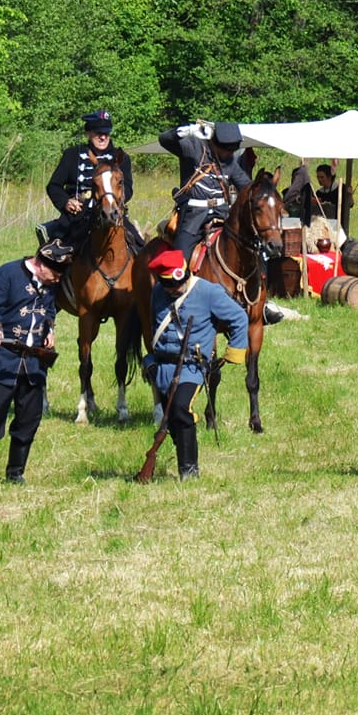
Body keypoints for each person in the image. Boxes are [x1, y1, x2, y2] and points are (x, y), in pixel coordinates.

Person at [144, 248, 250, 479]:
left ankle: (189, 471)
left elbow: (239, 317)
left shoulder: (208, 292)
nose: (175, 289)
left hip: (192, 366)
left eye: (178, 283)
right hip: (162, 365)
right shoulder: (157, 292)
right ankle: (178, 454)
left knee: (182, 408)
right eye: (170, 285)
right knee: (171, 418)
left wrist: (234, 353)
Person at [0, 240, 68, 484]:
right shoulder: (6, 274)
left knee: (29, 419)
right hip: (2, 358)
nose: (57, 279)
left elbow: (49, 310)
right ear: (41, 265)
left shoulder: (50, 285)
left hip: (33, 363)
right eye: (55, 274)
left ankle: (15, 473)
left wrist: (49, 329)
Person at [41, 110, 136, 251]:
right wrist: (66, 202)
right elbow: (54, 186)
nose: (103, 137)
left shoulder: (121, 158)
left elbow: (127, 188)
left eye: (106, 133)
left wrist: (112, 202)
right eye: (98, 133)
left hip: (112, 213)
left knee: (139, 247)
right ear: (88, 133)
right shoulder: (72, 155)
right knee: (51, 256)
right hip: (77, 216)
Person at [159, 120, 252, 258]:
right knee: (179, 259)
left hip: (222, 214)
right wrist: (187, 131)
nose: (229, 154)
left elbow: (246, 186)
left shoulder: (230, 161)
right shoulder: (194, 147)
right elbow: (164, 139)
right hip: (193, 217)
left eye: (232, 151)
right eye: (227, 150)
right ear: (215, 144)